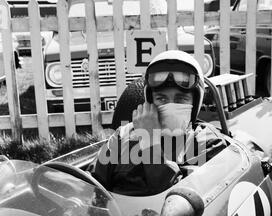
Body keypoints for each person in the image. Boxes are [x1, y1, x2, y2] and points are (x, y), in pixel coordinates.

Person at [89, 50, 227, 196]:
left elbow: (181, 201)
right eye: (161, 99)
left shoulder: (208, 143)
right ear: (150, 102)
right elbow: (90, 185)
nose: (170, 105)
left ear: (195, 102)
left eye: (180, 99)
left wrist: (149, 144)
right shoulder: (122, 137)